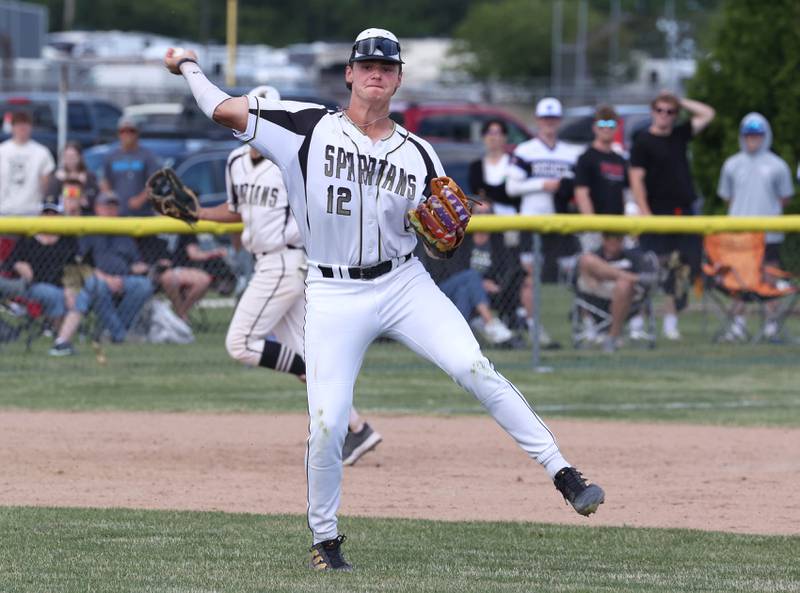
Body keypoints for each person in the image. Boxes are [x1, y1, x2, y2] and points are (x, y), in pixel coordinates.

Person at [164, 27, 605, 572]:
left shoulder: (419, 153)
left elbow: (441, 229)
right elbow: (219, 108)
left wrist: (450, 233)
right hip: (332, 289)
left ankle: (563, 472)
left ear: (398, 79)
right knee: (327, 423)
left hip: (402, 282)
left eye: (388, 67)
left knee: (474, 367)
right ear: (348, 73)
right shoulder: (303, 127)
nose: (377, 73)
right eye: (366, 64)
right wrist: (187, 66)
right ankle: (325, 540)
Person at [196, 85, 382, 466]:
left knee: (241, 343)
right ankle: (356, 429)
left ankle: (328, 405)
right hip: (265, 261)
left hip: (285, 261)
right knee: (309, 356)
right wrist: (195, 212)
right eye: (249, 113)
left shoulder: (293, 159)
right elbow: (238, 212)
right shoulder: (235, 162)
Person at [629, 91, 715, 340]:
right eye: (660, 110)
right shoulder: (643, 141)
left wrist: (680, 100)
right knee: (649, 270)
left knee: (680, 271)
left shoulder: (680, 135)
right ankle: (637, 322)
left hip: (683, 214)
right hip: (656, 214)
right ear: (652, 111)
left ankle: (670, 321)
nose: (665, 116)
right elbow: (636, 180)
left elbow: (708, 114)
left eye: (670, 111)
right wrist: (645, 213)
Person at [506, 97, 582, 345]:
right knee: (531, 276)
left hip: (561, 222)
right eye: (545, 119)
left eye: (553, 119)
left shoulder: (569, 153)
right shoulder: (526, 150)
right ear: (538, 120)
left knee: (575, 272)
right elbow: (512, 187)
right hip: (532, 221)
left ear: (559, 121)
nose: (549, 123)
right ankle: (533, 326)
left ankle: (582, 324)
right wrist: (543, 184)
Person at [717, 112, 794, 340]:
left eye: (757, 135)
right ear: (742, 136)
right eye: (748, 135)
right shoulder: (731, 164)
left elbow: (784, 197)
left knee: (769, 277)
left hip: (769, 235)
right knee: (740, 278)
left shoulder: (777, 165)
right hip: (740, 234)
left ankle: (771, 325)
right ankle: (738, 325)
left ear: (765, 136)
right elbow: (727, 197)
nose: (753, 139)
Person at [55, 192, 153, 349]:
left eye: (114, 207)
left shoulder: (124, 231)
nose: (110, 211)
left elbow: (135, 262)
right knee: (97, 286)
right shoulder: (88, 229)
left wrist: (137, 269)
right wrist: (106, 279)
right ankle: (119, 335)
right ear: (97, 208)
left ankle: (110, 331)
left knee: (144, 285)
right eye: (106, 207)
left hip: (124, 279)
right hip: (96, 278)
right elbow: (81, 264)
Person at [421, 200, 520, 346]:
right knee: (472, 276)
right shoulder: (461, 238)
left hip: (479, 290)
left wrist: (496, 284)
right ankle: (490, 322)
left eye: (488, 213)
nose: (484, 216)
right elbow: (455, 271)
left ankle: (457, 337)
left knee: (465, 291)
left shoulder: (497, 241)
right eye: (480, 213)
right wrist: (480, 282)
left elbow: (506, 268)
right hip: (444, 287)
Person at [1, 198, 80, 349]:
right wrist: (19, 264)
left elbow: (74, 265)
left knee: (75, 295)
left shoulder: (67, 239)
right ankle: (59, 338)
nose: (49, 217)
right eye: (46, 213)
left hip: (63, 285)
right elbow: (9, 263)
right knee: (52, 294)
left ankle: (61, 338)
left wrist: (70, 287)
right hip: (33, 285)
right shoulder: (29, 238)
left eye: (54, 214)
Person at [577, 233, 653, 353]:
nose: (613, 243)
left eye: (618, 239)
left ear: (622, 240)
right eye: (608, 238)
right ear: (603, 240)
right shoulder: (595, 254)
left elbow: (648, 279)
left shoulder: (632, 256)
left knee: (624, 284)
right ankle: (627, 277)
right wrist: (630, 277)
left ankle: (612, 337)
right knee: (586, 259)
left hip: (626, 298)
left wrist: (622, 279)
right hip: (596, 294)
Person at [100, 117, 160, 217]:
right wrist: (111, 200)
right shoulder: (111, 156)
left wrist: (140, 200)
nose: (127, 134)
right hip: (118, 215)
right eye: (123, 131)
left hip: (143, 214)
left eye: (131, 131)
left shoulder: (147, 155)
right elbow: (104, 181)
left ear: (137, 133)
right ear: (119, 134)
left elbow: (155, 183)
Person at [0, 111, 55, 216]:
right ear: (12, 127)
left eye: (25, 124)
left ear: (31, 127)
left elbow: (47, 185)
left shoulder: (42, 152)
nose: (22, 128)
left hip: (32, 212)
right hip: (4, 210)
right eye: (19, 124)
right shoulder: (2, 151)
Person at [468, 120, 516, 215]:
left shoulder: (513, 162)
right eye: (489, 133)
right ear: (484, 137)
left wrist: (486, 193)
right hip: (485, 219)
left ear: (504, 137)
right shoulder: (476, 166)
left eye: (497, 133)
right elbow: (476, 193)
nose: (493, 137)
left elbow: (512, 192)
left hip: (510, 216)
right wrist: (501, 191)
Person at [45, 141, 100, 215]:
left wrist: (84, 186)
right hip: (62, 218)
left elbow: (96, 200)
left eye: (73, 156)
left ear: (80, 157)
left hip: (84, 216)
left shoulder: (89, 177)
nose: (70, 160)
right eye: (67, 156)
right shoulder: (58, 177)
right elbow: (50, 201)